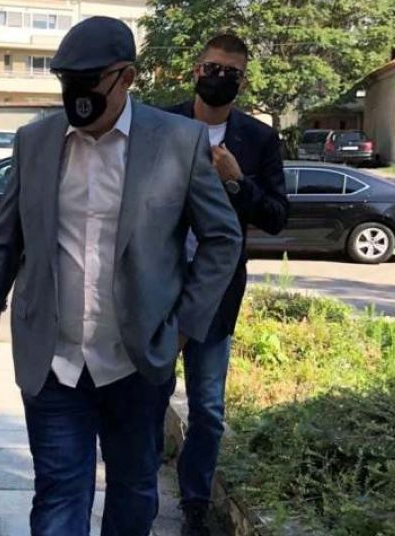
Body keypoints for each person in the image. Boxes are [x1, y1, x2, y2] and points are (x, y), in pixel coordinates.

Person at [0, 17, 243, 536]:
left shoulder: (178, 141)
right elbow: (6, 236)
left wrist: (185, 325)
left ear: (126, 77)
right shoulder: (34, 141)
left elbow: (223, 238)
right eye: (67, 81)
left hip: (137, 361)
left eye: (90, 81)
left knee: (133, 495)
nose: (77, 93)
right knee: (58, 496)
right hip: (54, 361)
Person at [165, 34, 288, 535]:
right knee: (145, 398)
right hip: (158, 286)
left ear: (243, 80)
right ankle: (137, 491)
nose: (219, 78)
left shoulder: (258, 140)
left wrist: (238, 181)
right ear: (196, 70)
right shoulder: (162, 125)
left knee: (209, 410)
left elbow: (277, 217)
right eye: (212, 68)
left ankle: (194, 504)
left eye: (230, 73)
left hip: (216, 294)